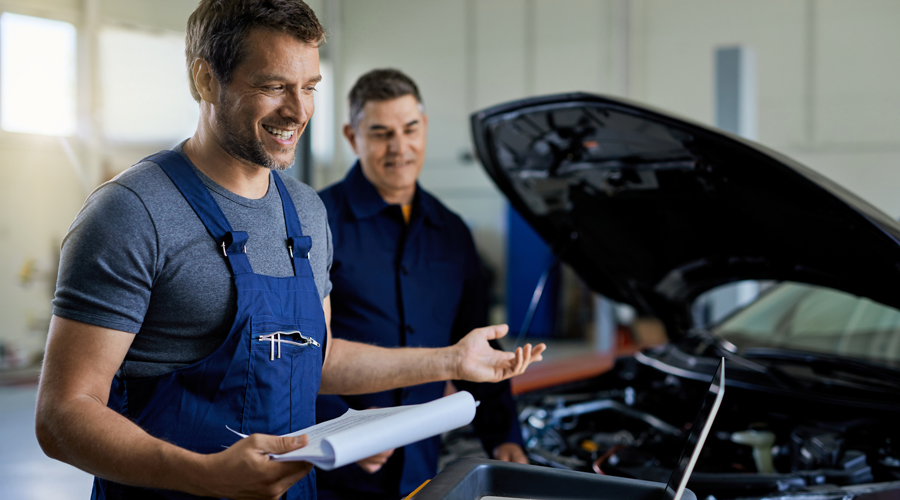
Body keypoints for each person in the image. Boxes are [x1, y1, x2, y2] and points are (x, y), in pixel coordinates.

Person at [33, 2, 545, 499]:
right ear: (205, 80)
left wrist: (450, 360)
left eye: (310, 87)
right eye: (274, 86)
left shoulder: (304, 211)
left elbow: (316, 359)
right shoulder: (131, 213)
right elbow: (63, 414)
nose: (299, 111)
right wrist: (205, 476)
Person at [314, 69, 527, 500]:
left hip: (421, 472)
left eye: (410, 129)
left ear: (424, 127)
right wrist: (344, 432)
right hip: (331, 474)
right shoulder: (317, 222)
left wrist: (504, 435)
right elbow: (294, 355)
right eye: (380, 133)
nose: (399, 147)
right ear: (352, 137)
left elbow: (473, 343)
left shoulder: (452, 232)